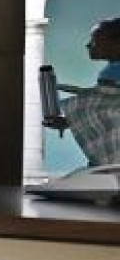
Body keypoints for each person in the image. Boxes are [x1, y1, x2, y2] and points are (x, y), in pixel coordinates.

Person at [46, 18, 120, 166]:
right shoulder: (112, 71)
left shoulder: (113, 74)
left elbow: (108, 105)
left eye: (95, 39)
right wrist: (70, 120)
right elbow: (102, 106)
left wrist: (72, 115)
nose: (88, 45)